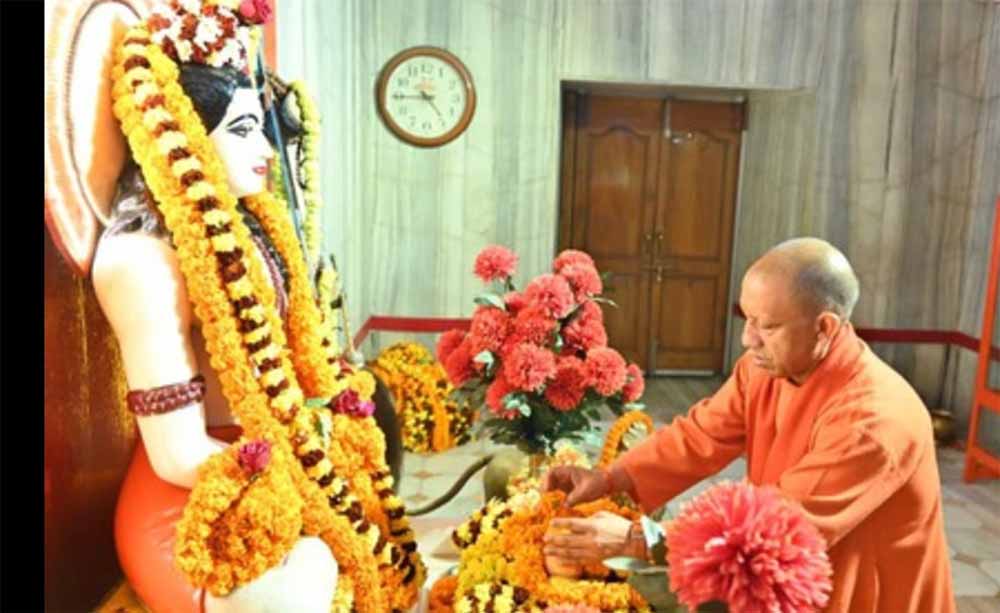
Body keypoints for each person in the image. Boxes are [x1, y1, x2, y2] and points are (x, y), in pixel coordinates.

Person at [542, 238, 956, 613]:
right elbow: (699, 437)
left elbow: (782, 524)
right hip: (792, 579)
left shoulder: (873, 419)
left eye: (768, 326)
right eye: (748, 319)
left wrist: (637, 539)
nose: (748, 339)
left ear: (825, 327)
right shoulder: (763, 368)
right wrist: (610, 478)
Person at [95, 60, 340, 612]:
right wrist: (305, 479)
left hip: (265, 464)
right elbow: (177, 454)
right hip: (191, 506)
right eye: (243, 129)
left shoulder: (243, 231)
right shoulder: (141, 260)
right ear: (182, 136)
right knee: (299, 587)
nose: (268, 150)